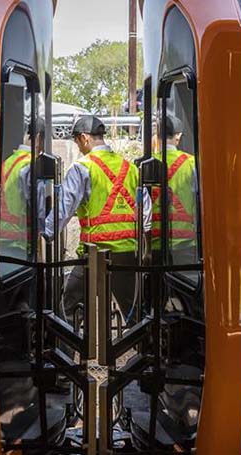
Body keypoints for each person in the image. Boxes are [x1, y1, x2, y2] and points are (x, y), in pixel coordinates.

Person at [45, 115, 150, 322]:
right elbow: (145, 212)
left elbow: (64, 209)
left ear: (84, 138)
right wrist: (146, 249)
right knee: (135, 315)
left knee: (68, 310)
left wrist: (46, 234)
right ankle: (145, 342)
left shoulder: (82, 167)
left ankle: (69, 342)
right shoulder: (130, 168)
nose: (78, 148)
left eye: (77, 142)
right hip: (127, 252)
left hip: (93, 254)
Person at [0, 118, 46, 273]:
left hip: (1, 239)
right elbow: (39, 210)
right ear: (38, 138)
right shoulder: (30, 165)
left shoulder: (8, 162)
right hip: (20, 242)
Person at [151, 114, 199, 266]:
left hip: (153, 243)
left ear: (157, 136)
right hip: (185, 242)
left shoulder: (146, 165)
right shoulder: (192, 163)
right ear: (178, 136)